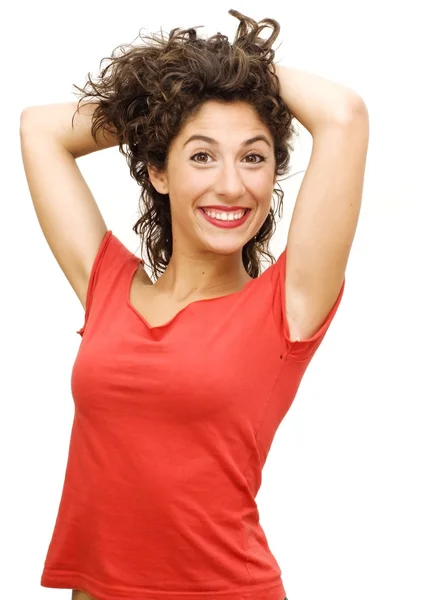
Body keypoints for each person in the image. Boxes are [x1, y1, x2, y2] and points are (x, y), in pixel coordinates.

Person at [20, 9, 369, 600]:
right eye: (201, 155)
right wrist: (168, 102)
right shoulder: (107, 286)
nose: (232, 184)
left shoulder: (286, 308)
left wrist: (234, 74)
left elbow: (344, 116)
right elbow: (39, 130)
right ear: (158, 170)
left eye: (254, 157)